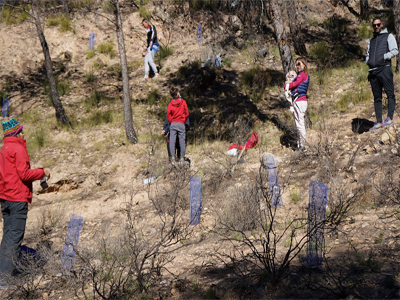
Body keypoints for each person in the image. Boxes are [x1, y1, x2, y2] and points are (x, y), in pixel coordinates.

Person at [0, 118, 50, 286]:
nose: (23, 133)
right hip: (17, 198)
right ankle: (5, 279)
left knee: (7, 236)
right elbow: (24, 174)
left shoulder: (4, 149)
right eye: (21, 130)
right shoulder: (18, 148)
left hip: (5, 199)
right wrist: (42, 172)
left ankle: (2, 273)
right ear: (15, 132)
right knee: (15, 237)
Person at [366, 17, 398, 130]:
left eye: (378, 24)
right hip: (373, 71)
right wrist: (368, 61)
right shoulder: (371, 40)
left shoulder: (388, 36)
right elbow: (368, 53)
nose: (376, 27)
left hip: (385, 68)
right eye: (374, 25)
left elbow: (395, 50)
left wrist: (384, 57)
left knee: (390, 94)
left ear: (381, 25)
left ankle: (389, 118)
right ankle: (379, 122)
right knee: (377, 97)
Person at [284, 58, 310, 151]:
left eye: (299, 64)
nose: (297, 66)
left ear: (304, 64)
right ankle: (300, 145)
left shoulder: (302, 75)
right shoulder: (301, 75)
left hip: (300, 101)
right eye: (296, 64)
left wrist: (287, 86)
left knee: (300, 124)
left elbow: (294, 84)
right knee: (298, 124)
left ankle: (302, 145)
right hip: (297, 100)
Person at [167, 86, 189, 164]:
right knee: (182, 141)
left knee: (172, 141)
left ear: (171, 95)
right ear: (178, 93)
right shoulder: (183, 102)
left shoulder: (170, 104)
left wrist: (172, 121)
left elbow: (168, 115)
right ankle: (182, 158)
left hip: (173, 124)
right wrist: (183, 120)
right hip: (181, 124)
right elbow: (187, 113)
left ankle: (172, 158)